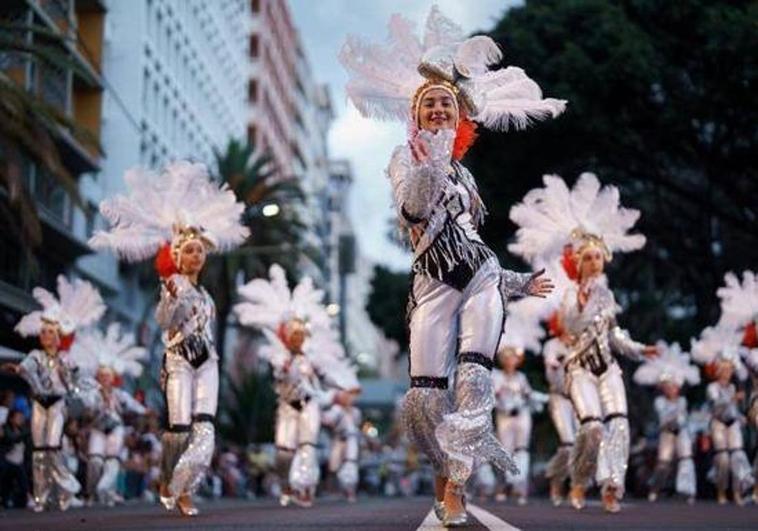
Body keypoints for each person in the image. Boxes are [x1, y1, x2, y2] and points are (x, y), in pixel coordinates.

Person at [340, 6, 564, 526]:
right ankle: (444, 482)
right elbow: (414, 209)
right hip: (431, 285)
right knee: (425, 398)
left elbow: (472, 241)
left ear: (460, 117)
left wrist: (519, 282)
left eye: (446, 103)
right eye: (430, 104)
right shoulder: (406, 157)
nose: (439, 109)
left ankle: (458, 489)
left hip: (482, 279)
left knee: (474, 381)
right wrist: (431, 158)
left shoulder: (467, 175)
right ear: (416, 115)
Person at [90, 160, 249, 515]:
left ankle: (184, 488)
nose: (196, 255)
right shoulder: (172, 285)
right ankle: (168, 480)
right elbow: (165, 321)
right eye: (189, 250)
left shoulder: (208, 297)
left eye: (200, 251)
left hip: (208, 361)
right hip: (178, 360)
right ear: (177, 256)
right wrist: (172, 298)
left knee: (205, 430)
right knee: (178, 429)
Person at [509, 172, 658, 512]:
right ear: (576, 262)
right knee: (591, 429)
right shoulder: (569, 297)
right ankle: (578, 480)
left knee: (619, 421)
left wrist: (639, 349)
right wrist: (581, 299)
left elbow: (614, 334)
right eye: (587, 257)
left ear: (604, 258)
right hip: (579, 371)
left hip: (608, 368)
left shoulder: (607, 295)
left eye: (598, 256)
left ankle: (611, 486)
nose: (594, 261)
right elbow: (572, 324)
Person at [234, 264, 355, 507]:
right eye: (294, 336)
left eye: (301, 336)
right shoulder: (278, 356)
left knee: (307, 446)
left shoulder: (312, 358)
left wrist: (343, 389)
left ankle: (305, 488)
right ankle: (287, 484)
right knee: (284, 453)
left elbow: (326, 376)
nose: (298, 340)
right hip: (287, 409)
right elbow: (279, 371)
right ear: (286, 337)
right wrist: (285, 363)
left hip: (308, 406)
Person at [3, 275, 105, 512]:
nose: (45, 335)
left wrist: (80, 379)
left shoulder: (66, 360)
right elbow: (26, 367)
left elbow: (76, 381)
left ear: (59, 337)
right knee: (39, 451)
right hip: (39, 403)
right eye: (44, 331)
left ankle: (65, 487)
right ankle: (41, 496)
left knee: (51, 448)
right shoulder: (36, 356)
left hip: (57, 404)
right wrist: (17, 368)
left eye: (50, 332)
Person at [71, 324, 148, 506]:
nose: (105, 378)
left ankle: (106, 492)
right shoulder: (92, 393)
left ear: (114, 378)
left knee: (112, 461)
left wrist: (145, 411)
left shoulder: (119, 394)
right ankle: (91, 493)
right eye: (102, 375)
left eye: (108, 375)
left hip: (115, 429)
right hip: (98, 428)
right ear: (98, 376)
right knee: (95, 461)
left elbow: (133, 405)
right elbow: (84, 406)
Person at [692, 325, 754, 505]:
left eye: (729, 370)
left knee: (737, 456)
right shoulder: (712, 388)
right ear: (718, 371)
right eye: (724, 370)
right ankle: (721, 490)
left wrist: (743, 417)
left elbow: (733, 410)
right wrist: (732, 399)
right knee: (723, 458)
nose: (727, 373)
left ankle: (737, 492)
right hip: (718, 423)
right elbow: (717, 407)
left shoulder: (734, 387)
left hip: (732, 423)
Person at [633, 342, 700, 503]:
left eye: (674, 386)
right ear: (663, 388)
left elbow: (683, 417)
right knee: (664, 463)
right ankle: (655, 489)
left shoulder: (682, 401)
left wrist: (681, 421)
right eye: (668, 387)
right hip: (666, 433)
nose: (672, 389)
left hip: (681, 432)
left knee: (686, 458)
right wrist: (674, 419)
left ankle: (687, 491)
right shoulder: (660, 402)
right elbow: (664, 418)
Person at [715, 270, 758, 502]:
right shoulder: (751, 355)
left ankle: (749, 488)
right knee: (724, 456)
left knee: (742, 453)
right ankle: (736, 490)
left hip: (738, 415)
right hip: (754, 403)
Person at [1, 409, 31, 508]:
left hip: (20, 461)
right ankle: (6, 499)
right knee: (11, 473)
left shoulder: (23, 430)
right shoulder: (5, 429)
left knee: (22, 471)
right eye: (18, 417)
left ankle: (25, 498)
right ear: (11, 419)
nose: (20, 420)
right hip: (8, 460)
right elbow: (11, 438)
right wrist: (24, 434)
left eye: (21, 418)